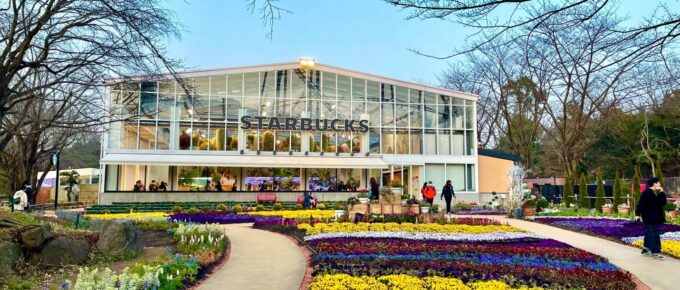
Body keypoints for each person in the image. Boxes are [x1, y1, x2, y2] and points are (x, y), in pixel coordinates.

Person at [636, 177, 667, 259]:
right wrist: (637, 214)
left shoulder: (656, 193)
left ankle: (646, 249)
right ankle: (655, 252)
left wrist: (662, 192)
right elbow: (641, 204)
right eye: (658, 182)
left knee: (650, 233)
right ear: (654, 184)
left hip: (655, 217)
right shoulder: (646, 193)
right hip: (648, 217)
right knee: (654, 234)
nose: (660, 184)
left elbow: (663, 203)